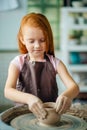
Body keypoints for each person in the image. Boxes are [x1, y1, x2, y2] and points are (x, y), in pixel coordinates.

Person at [4, 12, 79, 120]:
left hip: (50, 117)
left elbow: (74, 87)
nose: (37, 45)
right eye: (31, 41)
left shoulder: (55, 62)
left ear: (48, 38)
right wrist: (29, 99)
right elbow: (8, 91)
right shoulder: (17, 62)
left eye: (42, 40)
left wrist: (66, 96)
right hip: (23, 116)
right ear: (22, 39)